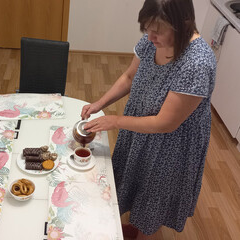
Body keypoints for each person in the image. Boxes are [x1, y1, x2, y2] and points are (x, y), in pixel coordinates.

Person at [80, 0, 216, 238]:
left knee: (153, 195)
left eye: (158, 31)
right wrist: (100, 104)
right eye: (147, 29)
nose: (150, 36)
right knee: (131, 180)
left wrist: (115, 120)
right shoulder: (151, 40)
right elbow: (129, 76)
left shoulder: (197, 63)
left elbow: (166, 123)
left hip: (170, 145)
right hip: (140, 127)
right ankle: (129, 227)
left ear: (182, 24)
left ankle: (143, 232)